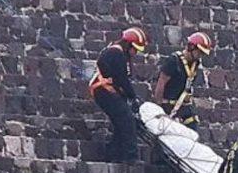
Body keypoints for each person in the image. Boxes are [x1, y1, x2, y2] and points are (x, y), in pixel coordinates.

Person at [89, 27, 148, 163]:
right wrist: (132, 97)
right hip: (104, 91)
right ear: (128, 44)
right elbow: (122, 79)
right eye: (135, 48)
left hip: (106, 91)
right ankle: (131, 155)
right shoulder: (117, 53)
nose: (136, 52)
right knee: (127, 120)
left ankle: (113, 154)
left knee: (120, 122)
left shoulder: (116, 52)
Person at [152, 31, 213, 131]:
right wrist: (158, 109)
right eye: (199, 52)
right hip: (167, 105)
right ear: (191, 47)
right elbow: (161, 83)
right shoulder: (173, 61)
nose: (200, 56)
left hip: (183, 107)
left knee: (193, 128)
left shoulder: (195, 64)